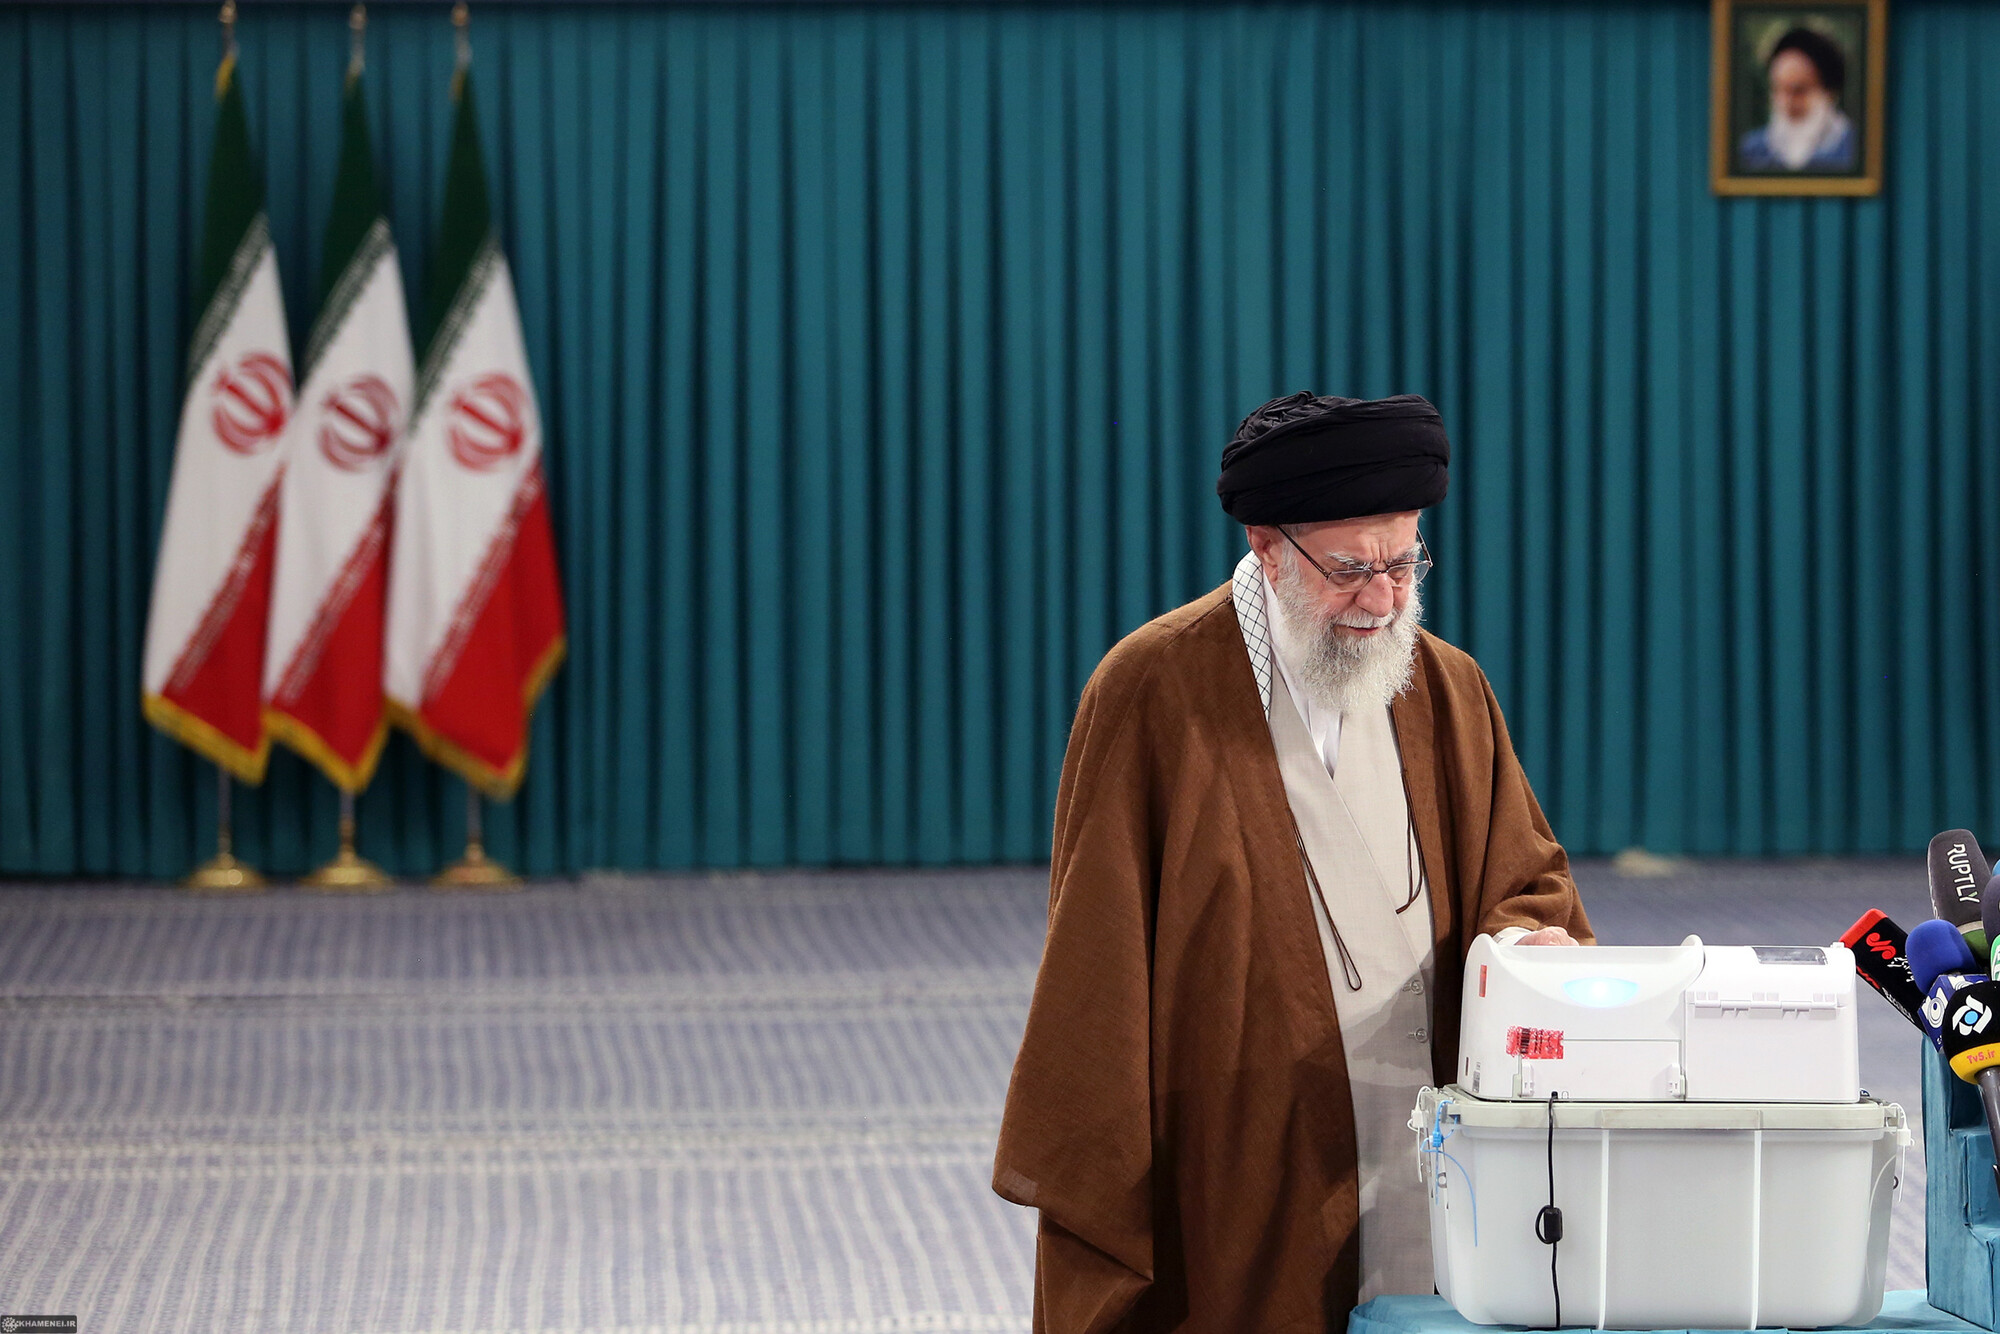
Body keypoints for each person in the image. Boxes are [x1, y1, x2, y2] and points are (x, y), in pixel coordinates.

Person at [992, 392, 1593, 1332]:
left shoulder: (1447, 686)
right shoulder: (1152, 691)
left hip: (1436, 1166)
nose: (1383, 600)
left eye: (1403, 564)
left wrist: (1521, 948)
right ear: (1269, 548)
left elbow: (1526, 882)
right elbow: (1096, 969)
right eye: (1351, 570)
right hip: (1242, 1164)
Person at [1739, 27, 1857, 171]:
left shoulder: (1856, 150)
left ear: (1828, 93)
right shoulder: (1752, 150)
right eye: (1778, 90)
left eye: (1798, 91)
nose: (1786, 103)